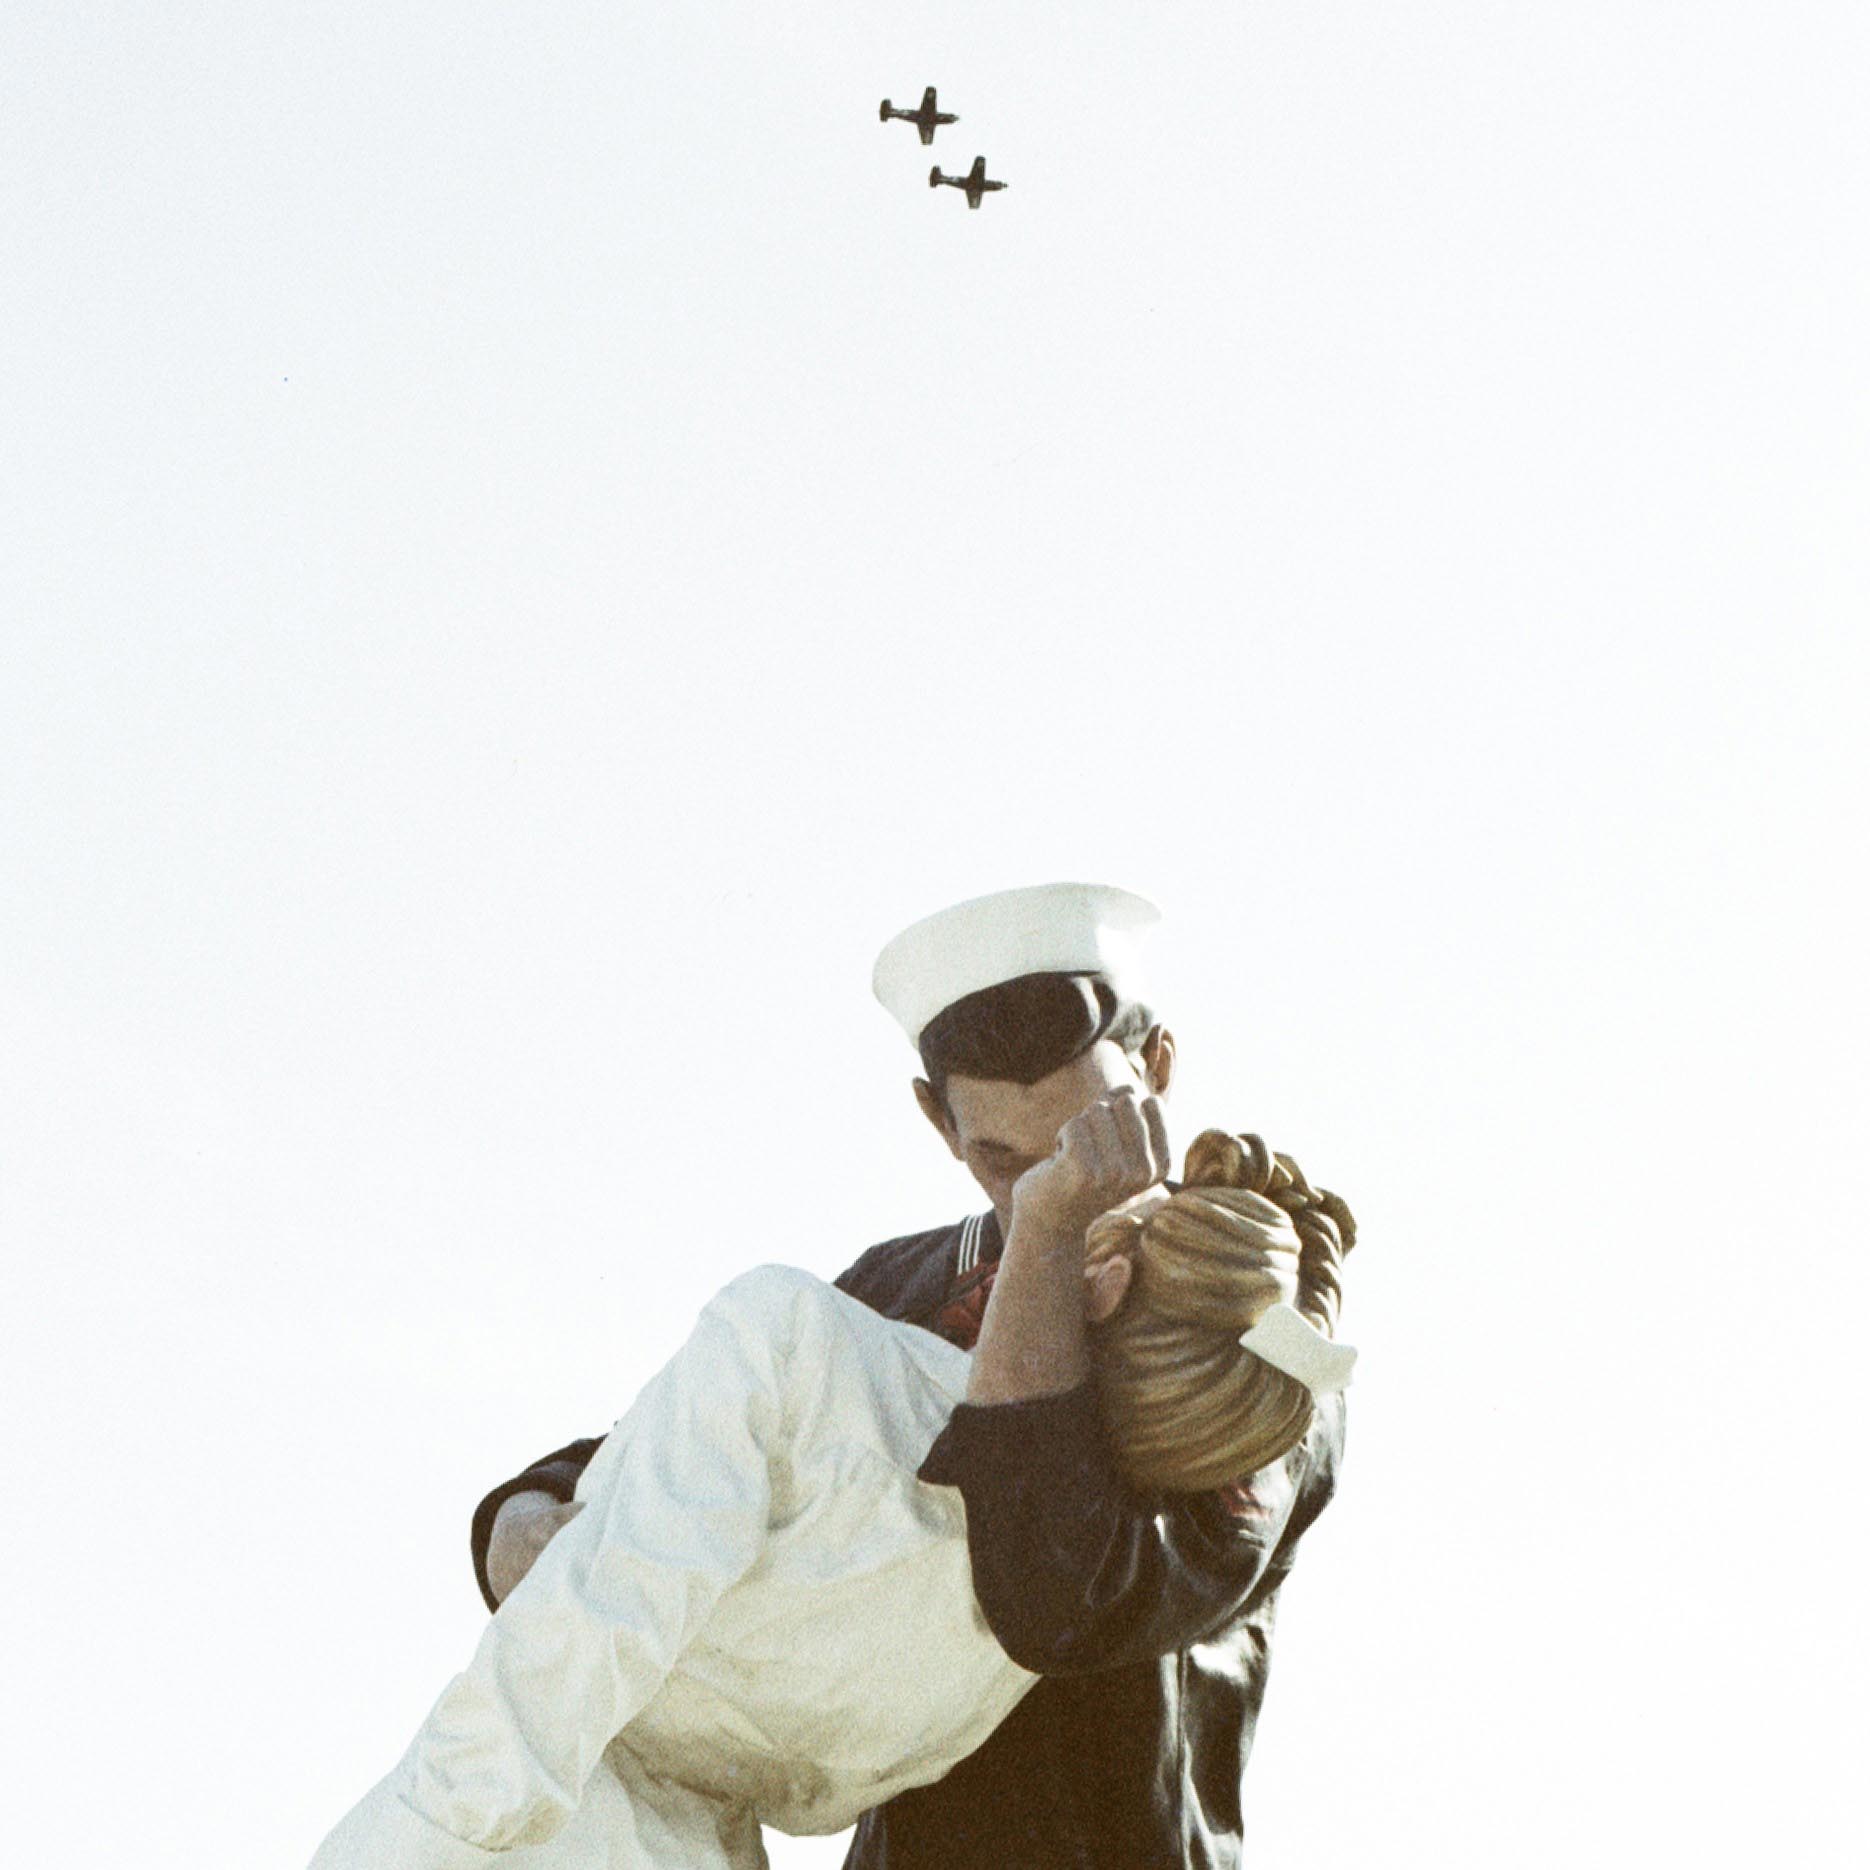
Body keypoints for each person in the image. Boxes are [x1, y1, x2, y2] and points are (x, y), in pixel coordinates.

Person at [468, 883, 1355, 1869]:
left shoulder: (1257, 1336)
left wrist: (1047, 1237)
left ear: (1155, 1068)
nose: (1050, 1186)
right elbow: (689, 1447)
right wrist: (524, 1516)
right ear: (939, 1121)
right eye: (1003, 1158)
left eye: (1083, 1140)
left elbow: (1055, 1605)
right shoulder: (904, 1285)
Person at [309, 1102, 1356, 1868]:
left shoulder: (805, 1345)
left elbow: (566, 1665)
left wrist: (1044, 1241)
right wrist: (526, 1504)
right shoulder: (1013, 1607)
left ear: (1106, 1273)